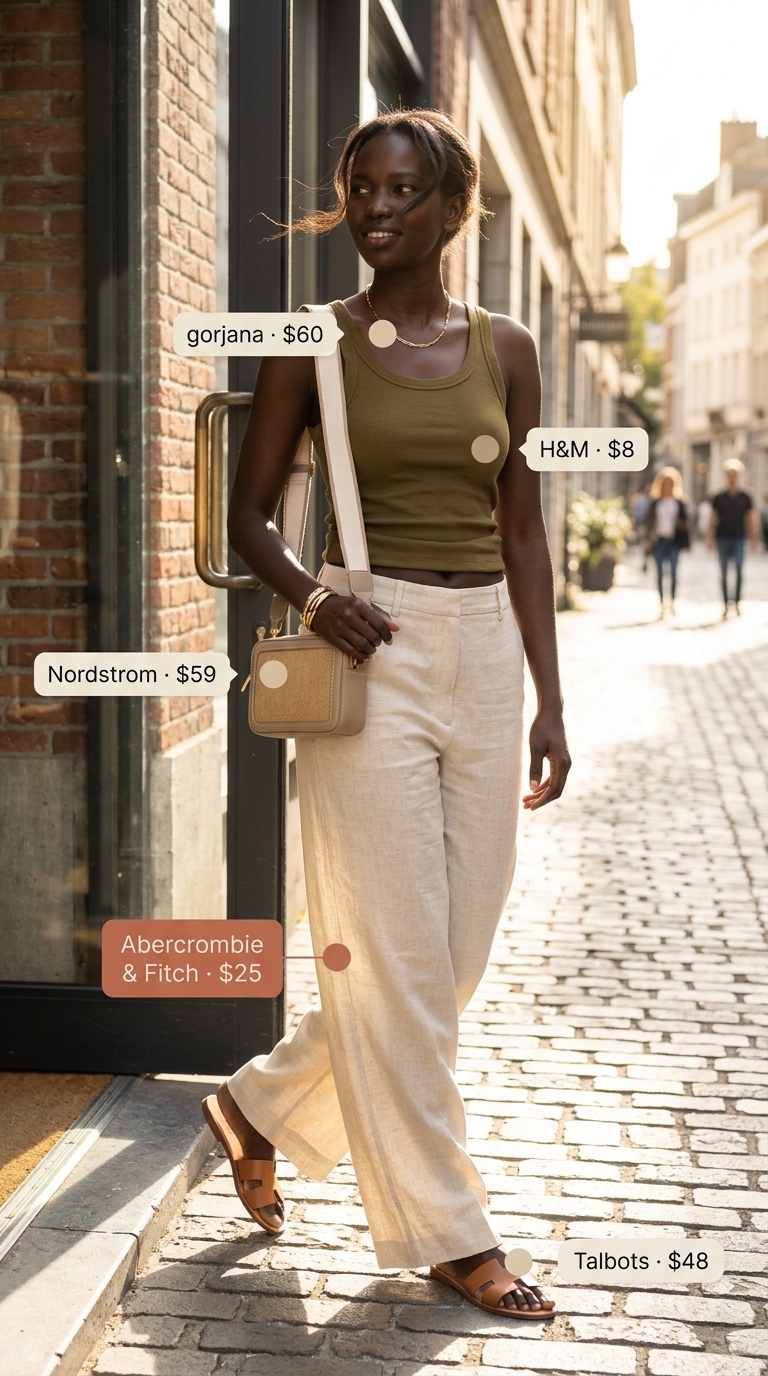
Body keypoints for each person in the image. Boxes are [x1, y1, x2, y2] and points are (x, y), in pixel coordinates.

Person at [202, 110, 570, 1318]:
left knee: (449, 961)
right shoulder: (315, 346)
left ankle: (255, 1102)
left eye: (404, 191)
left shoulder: (510, 349)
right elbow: (249, 513)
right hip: (373, 650)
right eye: (362, 189)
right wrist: (316, 596)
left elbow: (524, 531)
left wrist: (549, 699)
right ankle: (452, 1230)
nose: (376, 210)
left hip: (485, 661)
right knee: (403, 960)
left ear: (456, 206)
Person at [707, 458, 759, 615]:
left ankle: (736, 603)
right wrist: (709, 538)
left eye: (734, 474)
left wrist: (753, 538)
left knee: (738, 571)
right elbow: (711, 518)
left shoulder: (746, 496)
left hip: (739, 538)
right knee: (723, 573)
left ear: (739, 476)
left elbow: (751, 518)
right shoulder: (718, 496)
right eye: (729, 474)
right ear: (725, 475)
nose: (732, 477)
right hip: (722, 538)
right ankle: (724, 603)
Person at [643, 466, 690, 615]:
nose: (667, 486)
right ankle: (662, 603)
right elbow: (648, 523)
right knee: (660, 573)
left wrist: (687, 543)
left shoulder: (680, 502)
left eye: (670, 483)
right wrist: (646, 539)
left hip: (674, 541)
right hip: (659, 541)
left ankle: (673, 602)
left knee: (674, 573)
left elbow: (685, 524)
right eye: (665, 483)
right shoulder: (655, 502)